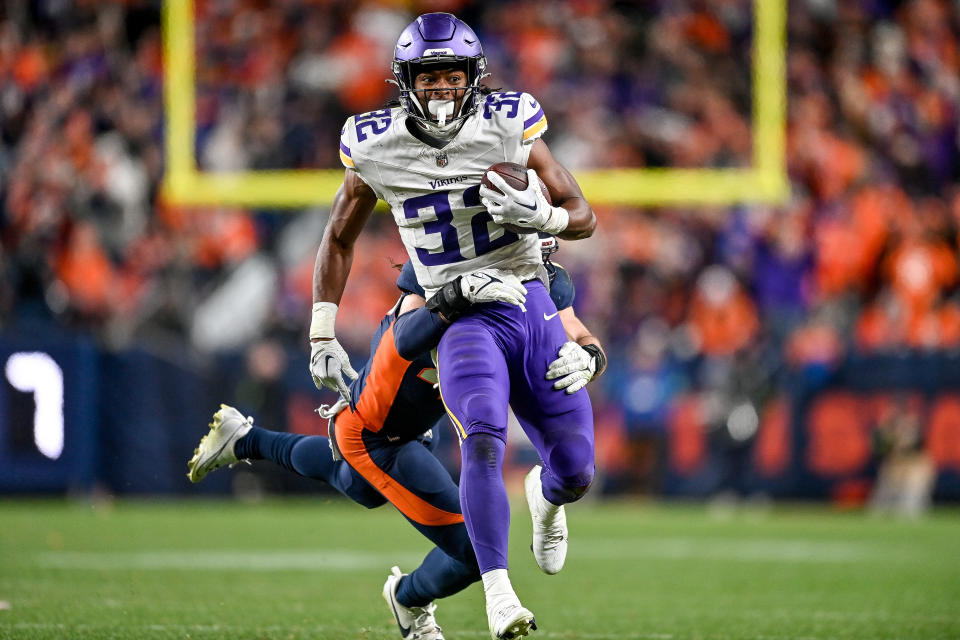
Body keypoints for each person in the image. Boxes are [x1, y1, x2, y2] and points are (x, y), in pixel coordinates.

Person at [308, 13, 598, 639]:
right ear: (405, 81)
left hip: (526, 301)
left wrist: (540, 216)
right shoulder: (374, 143)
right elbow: (338, 234)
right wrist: (322, 328)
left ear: (474, 78)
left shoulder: (509, 122)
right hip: (461, 314)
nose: (442, 88)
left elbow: (583, 216)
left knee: (576, 469)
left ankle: (547, 497)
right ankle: (499, 596)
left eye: (452, 75)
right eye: (429, 76)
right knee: (484, 434)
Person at [189, 244, 606, 640]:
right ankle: (408, 599)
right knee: (473, 549)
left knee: (353, 483)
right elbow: (403, 336)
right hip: (379, 432)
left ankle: (245, 439)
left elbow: (573, 329)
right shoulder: (443, 267)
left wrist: (591, 355)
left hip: (415, 418)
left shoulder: (543, 278)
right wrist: (455, 296)